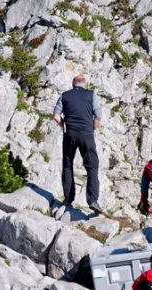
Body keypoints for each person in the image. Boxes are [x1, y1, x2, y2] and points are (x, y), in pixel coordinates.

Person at [53, 74, 103, 214]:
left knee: (68, 165)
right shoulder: (91, 95)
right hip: (86, 135)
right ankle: (92, 200)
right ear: (84, 84)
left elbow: (56, 116)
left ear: (73, 84)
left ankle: (68, 199)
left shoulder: (64, 96)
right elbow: (98, 116)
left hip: (70, 135)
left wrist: (65, 126)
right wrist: (92, 129)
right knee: (92, 166)